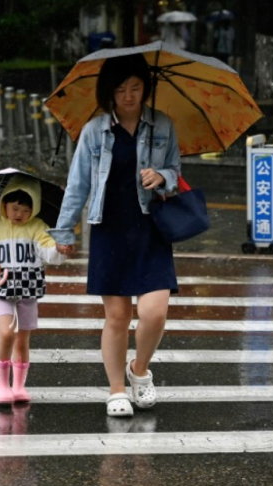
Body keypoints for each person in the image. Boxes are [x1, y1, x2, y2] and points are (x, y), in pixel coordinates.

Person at [49, 54, 181, 418]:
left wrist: (163, 177)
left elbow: (176, 170)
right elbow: (77, 184)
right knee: (118, 316)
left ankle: (139, 371)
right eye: (121, 89)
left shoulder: (164, 126)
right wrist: (65, 229)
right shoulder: (94, 131)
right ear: (109, 92)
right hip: (109, 228)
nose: (129, 95)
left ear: (145, 88)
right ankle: (117, 389)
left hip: (151, 228)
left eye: (136, 88)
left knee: (154, 313)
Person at [0, 175, 66, 403]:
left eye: (25, 210)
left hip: (27, 288)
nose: (19, 214)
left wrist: (60, 248)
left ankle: (19, 386)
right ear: (4, 204)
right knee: (6, 333)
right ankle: (1, 383)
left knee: (23, 339)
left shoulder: (38, 227)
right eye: (15, 208)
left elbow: (49, 253)